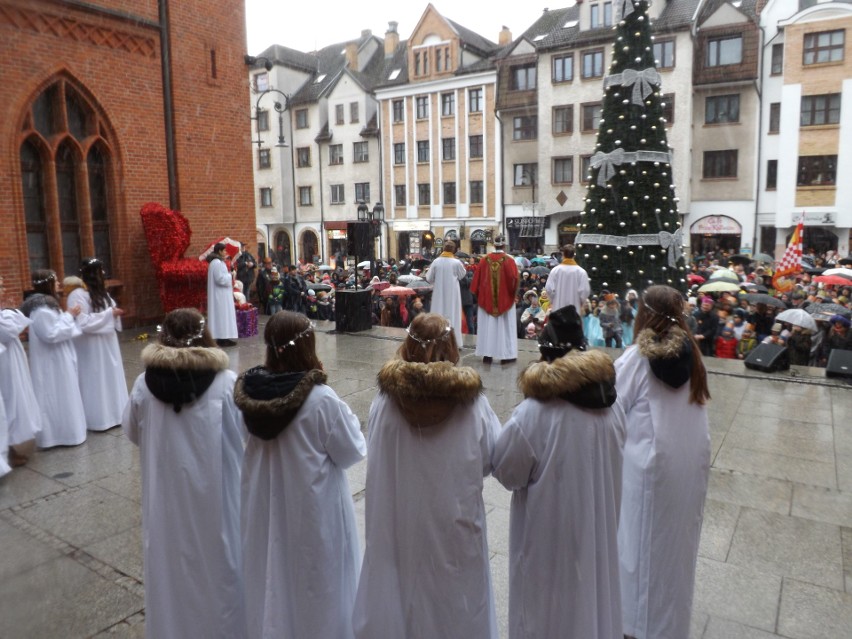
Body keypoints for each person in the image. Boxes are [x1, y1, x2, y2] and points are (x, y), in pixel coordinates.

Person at [353, 313, 500, 639]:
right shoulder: (473, 406)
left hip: (400, 526)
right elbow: (492, 459)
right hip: (454, 530)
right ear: (451, 346)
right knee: (454, 604)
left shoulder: (385, 403)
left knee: (403, 600)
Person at [492, 305, 625, 639]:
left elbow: (508, 472)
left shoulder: (534, 414)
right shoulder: (613, 405)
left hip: (549, 542)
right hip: (598, 531)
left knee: (549, 612)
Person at [235, 312, 365, 639]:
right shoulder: (321, 400)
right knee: (314, 582)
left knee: (269, 574)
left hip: (263, 503)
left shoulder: (248, 395)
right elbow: (351, 450)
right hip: (312, 509)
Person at [122, 308, 247, 639]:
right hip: (216, 500)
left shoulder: (144, 385)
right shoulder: (225, 384)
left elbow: (132, 431)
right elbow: (244, 437)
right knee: (220, 567)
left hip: (165, 502)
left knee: (170, 571)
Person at [615, 285, 711, 639]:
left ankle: (635, 626)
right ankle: (670, 626)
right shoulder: (695, 356)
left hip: (647, 471)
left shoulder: (636, 360)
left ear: (644, 314)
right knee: (675, 550)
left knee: (639, 549)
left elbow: (611, 410)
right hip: (688, 465)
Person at [21, 270, 87, 449]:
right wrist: (69, 315)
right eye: (56, 280)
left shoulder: (48, 306)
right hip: (50, 363)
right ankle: (55, 436)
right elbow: (50, 334)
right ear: (48, 283)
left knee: (64, 394)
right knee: (54, 395)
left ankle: (69, 432)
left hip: (58, 358)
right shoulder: (41, 309)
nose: (59, 283)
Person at [66, 258, 128, 431]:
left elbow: (110, 310)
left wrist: (114, 314)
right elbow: (83, 322)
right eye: (100, 271)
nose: (103, 274)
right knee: (95, 379)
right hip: (90, 346)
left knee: (110, 376)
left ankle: (115, 414)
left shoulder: (103, 293)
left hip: (108, 343)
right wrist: (109, 315)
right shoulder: (77, 295)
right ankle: (98, 419)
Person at [0, 276, 41, 466]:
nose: (3, 290)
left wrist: (12, 315)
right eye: (0, 286)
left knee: (14, 399)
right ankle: (8, 450)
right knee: (10, 400)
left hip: (10, 359)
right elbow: (8, 331)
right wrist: (14, 315)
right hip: (4, 363)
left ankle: (10, 447)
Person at [471, 235, 520, 364]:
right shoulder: (510, 260)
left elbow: (476, 282)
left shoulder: (483, 260)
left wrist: (480, 295)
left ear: (494, 245)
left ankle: (487, 355)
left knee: (487, 327)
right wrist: (512, 295)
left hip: (486, 300)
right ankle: (506, 355)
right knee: (505, 327)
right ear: (504, 245)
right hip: (505, 300)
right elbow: (514, 280)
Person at [425, 240, 466, 347]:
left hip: (438, 293)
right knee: (453, 315)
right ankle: (454, 343)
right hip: (453, 294)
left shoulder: (436, 262)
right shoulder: (457, 263)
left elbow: (429, 278)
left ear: (443, 248)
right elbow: (462, 275)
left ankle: (437, 341)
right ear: (453, 250)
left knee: (438, 315)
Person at [207, 242, 239, 346]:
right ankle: (222, 338)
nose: (226, 252)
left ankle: (225, 336)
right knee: (222, 316)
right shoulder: (216, 263)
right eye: (224, 250)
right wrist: (231, 275)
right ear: (219, 251)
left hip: (221, 295)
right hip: (220, 296)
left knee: (224, 316)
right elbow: (220, 279)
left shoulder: (217, 263)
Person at [545, 244, 590, 313]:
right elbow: (585, 290)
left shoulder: (555, 271)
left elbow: (548, 288)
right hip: (574, 310)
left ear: (563, 255)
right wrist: (581, 302)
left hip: (558, 309)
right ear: (574, 255)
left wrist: (553, 301)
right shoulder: (581, 272)